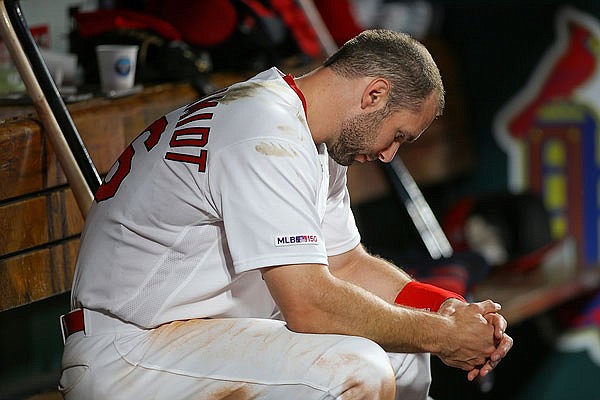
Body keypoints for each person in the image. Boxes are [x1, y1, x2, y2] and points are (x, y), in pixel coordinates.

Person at [59, 29, 512, 399]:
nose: (391, 154)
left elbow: (346, 264)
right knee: (357, 370)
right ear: (374, 95)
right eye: (398, 135)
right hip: (128, 351)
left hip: (196, 339)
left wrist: (449, 311)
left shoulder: (306, 133)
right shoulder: (261, 130)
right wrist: (443, 335)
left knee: (405, 357)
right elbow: (309, 305)